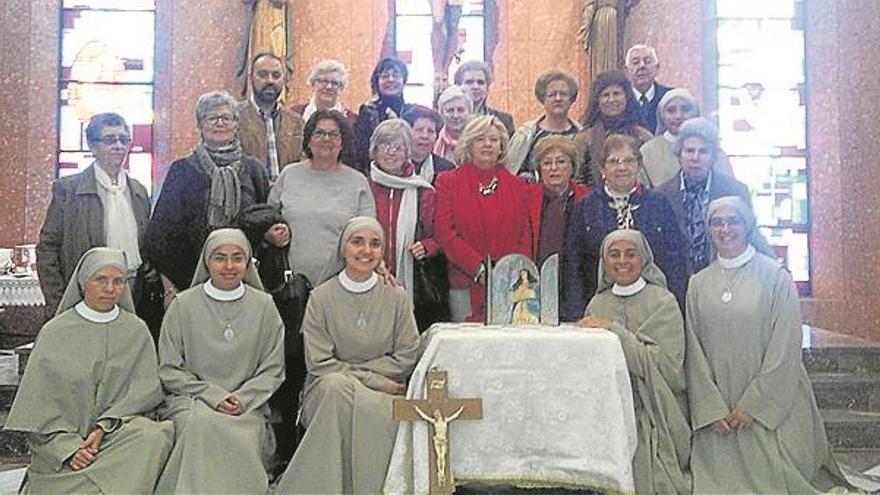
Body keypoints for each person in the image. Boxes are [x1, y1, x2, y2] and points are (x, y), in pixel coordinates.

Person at [685, 197, 852, 493]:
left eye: (732, 220)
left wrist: (756, 405)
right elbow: (694, 351)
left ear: (747, 224)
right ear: (709, 229)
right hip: (720, 414)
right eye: (716, 222)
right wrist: (709, 407)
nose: (725, 229)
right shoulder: (698, 283)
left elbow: (785, 347)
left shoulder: (775, 276)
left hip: (769, 408)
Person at [5, 248, 173, 494]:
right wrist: (70, 449)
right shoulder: (55, 332)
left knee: (155, 435)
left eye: (118, 281)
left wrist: (104, 427)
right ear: (84, 282)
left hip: (114, 438)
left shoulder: (136, 330)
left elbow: (143, 394)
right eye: (101, 280)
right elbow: (38, 410)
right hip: (64, 446)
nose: (110, 288)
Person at [274, 217, 420, 494]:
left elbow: (408, 354)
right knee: (333, 387)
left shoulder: (396, 297)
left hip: (379, 393)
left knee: (340, 388)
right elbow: (319, 363)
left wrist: (355, 374)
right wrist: (374, 379)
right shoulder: (320, 298)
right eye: (357, 242)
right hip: (344, 388)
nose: (366, 250)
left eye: (375, 244)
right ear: (343, 248)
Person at [156, 228, 285, 494]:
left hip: (248, 405)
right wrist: (212, 395)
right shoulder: (182, 305)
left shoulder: (264, 306)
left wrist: (243, 398)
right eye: (220, 258)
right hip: (193, 401)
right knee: (199, 425)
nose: (229, 266)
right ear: (207, 262)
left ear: (247, 263)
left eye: (237, 258)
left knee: (243, 433)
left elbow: (273, 369)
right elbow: (169, 368)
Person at [576, 230, 691, 494]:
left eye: (631, 253)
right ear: (604, 262)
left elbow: (669, 369)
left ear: (644, 258)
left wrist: (614, 331)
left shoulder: (663, 302)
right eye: (614, 255)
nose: (622, 261)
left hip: (654, 407)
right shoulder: (597, 304)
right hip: (610, 408)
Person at [145, 90, 276, 309]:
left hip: (245, 281)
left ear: (236, 124)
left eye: (226, 118)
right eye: (211, 118)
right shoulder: (182, 171)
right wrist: (169, 287)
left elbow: (265, 223)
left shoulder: (254, 170)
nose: (219, 123)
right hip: (190, 283)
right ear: (200, 124)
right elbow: (161, 236)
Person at [561, 134, 687, 321]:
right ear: (602, 167)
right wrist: (578, 313)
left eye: (628, 160)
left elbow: (674, 259)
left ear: (638, 165)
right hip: (599, 305)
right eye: (614, 161)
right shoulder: (586, 207)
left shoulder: (658, 204)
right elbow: (573, 263)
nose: (622, 167)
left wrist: (675, 305)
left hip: (651, 308)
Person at [37, 112, 151, 317]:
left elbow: (147, 247)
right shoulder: (68, 189)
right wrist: (58, 302)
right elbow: (48, 249)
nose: (118, 146)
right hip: (82, 296)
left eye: (123, 140)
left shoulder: (138, 191)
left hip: (132, 291)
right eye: (109, 140)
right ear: (92, 146)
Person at [436, 115, 531, 322]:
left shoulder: (519, 187)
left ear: (502, 147)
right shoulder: (448, 182)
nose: (487, 144)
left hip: (509, 284)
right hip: (465, 282)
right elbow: (444, 231)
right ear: (469, 145)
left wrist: (511, 271)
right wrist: (478, 268)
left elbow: (525, 234)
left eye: (493, 140)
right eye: (480, 139)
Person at [268, 109, 376, 287]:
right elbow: (269, 219)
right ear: (308, 140)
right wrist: (271, 234)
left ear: (343, 143)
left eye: (334, 134)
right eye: (319, 133)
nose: (326, 139)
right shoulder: (289, 174)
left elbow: (368, 234)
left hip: (342, 285)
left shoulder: (358, 182)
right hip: (291, 286)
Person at [367, 118, 448, 329]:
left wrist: (428, 246)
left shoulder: (424, 191)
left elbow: (440, 236)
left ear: (407, 153)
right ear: (374, 151)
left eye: (398, 147)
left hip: (413, 284)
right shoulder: (363, 187)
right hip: (368, 273)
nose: (391, 152)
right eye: (384, 146)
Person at [655, 118, 758, 278]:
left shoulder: (736, 191)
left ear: (713, 156)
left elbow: (750, 237)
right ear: (679, 154)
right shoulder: (661, 195)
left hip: (726, 278)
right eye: (689, 151)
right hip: (676, 283)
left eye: (703, 151)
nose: (695, 158)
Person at [639, 89, 734, 187]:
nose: (678, 116)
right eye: (671, 110)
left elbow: (729, 189)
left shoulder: (713, 150)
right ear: (662, 115)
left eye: (685, 109)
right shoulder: (647, 152)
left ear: (696, 113)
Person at [575, 69, 653, 187]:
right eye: (605, 95)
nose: (611, 100)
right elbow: (576, 179)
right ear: (597, 101)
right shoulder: (584, 139)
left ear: (627, 98)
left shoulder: (643, 137)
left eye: (616, 94)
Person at [526, 136, 591, 267]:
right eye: (547, 163)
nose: (553, 168)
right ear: (539, 170)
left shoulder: (588, 198)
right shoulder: (526, 198)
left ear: (572, 167)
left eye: (561, 162)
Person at [238, 52, 304, 180]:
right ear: (251, 77)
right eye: (262, 75)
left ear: (283, 80)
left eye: (276, 75)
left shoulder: (297, 123)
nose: (270, 80)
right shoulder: (234, 118)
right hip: (248, 197)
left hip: (286, 196)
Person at [507, 69, 582, 181]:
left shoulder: (582, 135)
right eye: (552, 94)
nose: (558, 98)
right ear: (543, 99)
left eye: (564, 94)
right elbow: (510, 173)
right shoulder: (526, 135)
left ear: (572, 99)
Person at [354, 57, 414, 173]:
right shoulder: (368, 111)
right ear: (377, 81)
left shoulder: (411, 112)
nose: (390, 80)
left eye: (396, 75)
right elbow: (360, 152)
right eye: (385, 76)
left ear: (404, 80)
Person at [453, 60, 515, 135]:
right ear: (458, 86)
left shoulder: (504, 121)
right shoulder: (450, 119)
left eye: (480, 82)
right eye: (469, 82)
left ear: (487, 88)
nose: (475, 87)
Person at [290, 59, 358, 127]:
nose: (329, 87)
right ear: (313, 84)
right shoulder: (293, 114)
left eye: (334, 83)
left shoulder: (353, 121)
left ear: (341, 88)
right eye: (323, 81)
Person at [401, 105, 457, 184]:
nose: (425, 136)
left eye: (430, 131)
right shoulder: (395, 164)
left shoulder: (446, 170)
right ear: (406, 133)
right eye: (419, 130)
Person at [626, 44, 672, 134]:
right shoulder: (620, 100)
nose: (642, 66)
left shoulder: (669, 97)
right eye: (636, 62)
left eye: (647, 61)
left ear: (657, 68)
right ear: (627, 70)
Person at [434, 85, 474, 164]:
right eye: (450, 110)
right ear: (441, 113)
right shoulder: (433, 139)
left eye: (461, 110)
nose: (455, 115)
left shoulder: (479, 139)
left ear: (469, 112)